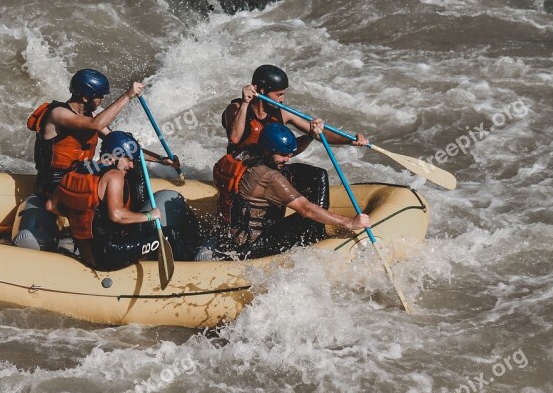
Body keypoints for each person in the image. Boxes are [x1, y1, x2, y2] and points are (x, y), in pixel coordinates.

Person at [14, 69, 179, 250]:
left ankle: (134, 219)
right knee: (113, 175)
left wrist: (161, 159)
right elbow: (96, 125)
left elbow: (123, 146)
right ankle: (117, 221)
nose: (102, 100)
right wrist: (128, 95)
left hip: (80, 174)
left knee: (132, 165)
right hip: (55, 183)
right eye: (99, 97)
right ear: (85, 98)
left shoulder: (87, 117)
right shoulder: (59, 114)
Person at [213, 64, 369, 224]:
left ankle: (316, 226)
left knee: (318, 176)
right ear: (260, 91)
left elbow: (317, 133)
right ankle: (306, 219)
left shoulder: (282, 112)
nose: (282, 99)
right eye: (279, 94)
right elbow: (234, 138)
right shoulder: (236, 109)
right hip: (248, 176)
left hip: (272, 168)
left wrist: (349, 140)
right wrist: (246, 103)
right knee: (296, 198)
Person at [46, 132, 195, 270]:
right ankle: (191, 272)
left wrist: (78, 217)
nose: (131, 165)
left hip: (85, 252)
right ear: (115, 155)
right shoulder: (114, 176)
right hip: (110, 255)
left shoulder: (77, 172)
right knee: (171, 234)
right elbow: (116, 215)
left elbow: (50, 205)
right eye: (128, 160)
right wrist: (150, 215)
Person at [223, 123, 371, 260]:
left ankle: (317, 234)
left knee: (317, 175)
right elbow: (306, 209)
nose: (287, 159)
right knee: (309, 216)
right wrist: (350, 223)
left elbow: (283, 155)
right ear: (268, 151)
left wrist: (310, 135)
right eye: (283, 154)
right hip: (252, 244)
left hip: (240, 234)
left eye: (289, 154)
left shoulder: (252, 154)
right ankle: (315, 240)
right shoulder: (269, 177)